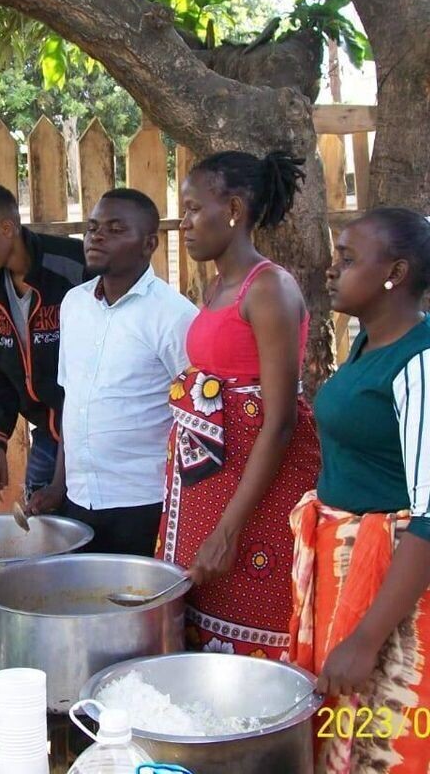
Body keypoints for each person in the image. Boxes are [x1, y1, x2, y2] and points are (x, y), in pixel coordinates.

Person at [161, 151, 320, 659]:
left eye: (193, 209)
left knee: (256, 636)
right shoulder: (216, 287)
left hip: (256, 502)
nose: (183, 223)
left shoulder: (268, 288)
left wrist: (228, 531)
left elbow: (280, 422)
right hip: (208, 490)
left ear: (232, 209)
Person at [289, 208, 430, 774]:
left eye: (347, 259)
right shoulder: (370, 343)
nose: (331, 269)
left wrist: (368, 638)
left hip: (396, 590)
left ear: (395, 273)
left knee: (394, 739)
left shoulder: (419, 362)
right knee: (347, 731)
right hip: (351, 572)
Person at [27, 188, 197, 555]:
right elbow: (73, 402)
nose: (97, 237)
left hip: (146, 503)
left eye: (115, 229)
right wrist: (59, 486)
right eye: (92, 228)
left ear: (149, 244)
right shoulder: (74, 304)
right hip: (79, 499)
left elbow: (198, 418)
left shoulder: (174, 316)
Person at [0, 182, 85, 502]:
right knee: (40, 519)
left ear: (7, 228)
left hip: (92, 432)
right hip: (46, 432)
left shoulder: (74, 265)